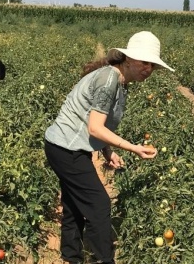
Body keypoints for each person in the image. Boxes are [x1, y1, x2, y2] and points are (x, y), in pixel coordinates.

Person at [44, 31, 174, 264]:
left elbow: (97, 124)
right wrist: (133, 148)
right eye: (144, 63)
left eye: (152, 66)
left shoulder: (119, 82)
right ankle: (103, 259)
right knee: (99, 205)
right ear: (127, 59)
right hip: (66, 148)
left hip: (65, 146)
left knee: (74, 204)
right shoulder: (109, 80)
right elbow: (95, 128)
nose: (148, 69)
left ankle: (71, 256)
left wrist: (107, 150)